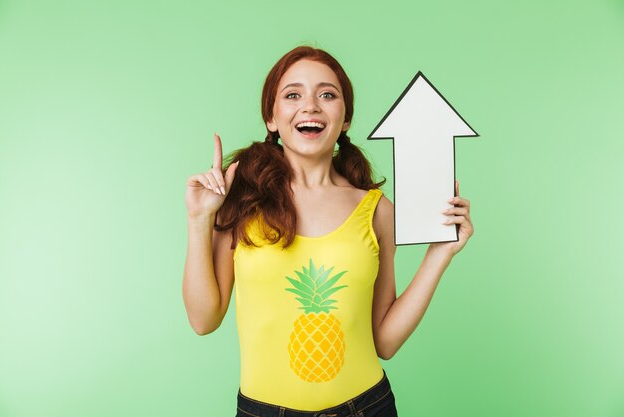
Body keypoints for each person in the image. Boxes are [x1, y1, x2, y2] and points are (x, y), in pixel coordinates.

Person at [182, 45, 474, 417]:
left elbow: (383, 341)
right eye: (292, 95)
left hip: (366, 407)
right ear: (271, 118)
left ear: (345, 118)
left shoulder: (377, 210)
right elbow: (203, 320)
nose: (310, 106)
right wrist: (199, 220)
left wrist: (439, 254)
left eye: (327, 94)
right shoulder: (242, 199)